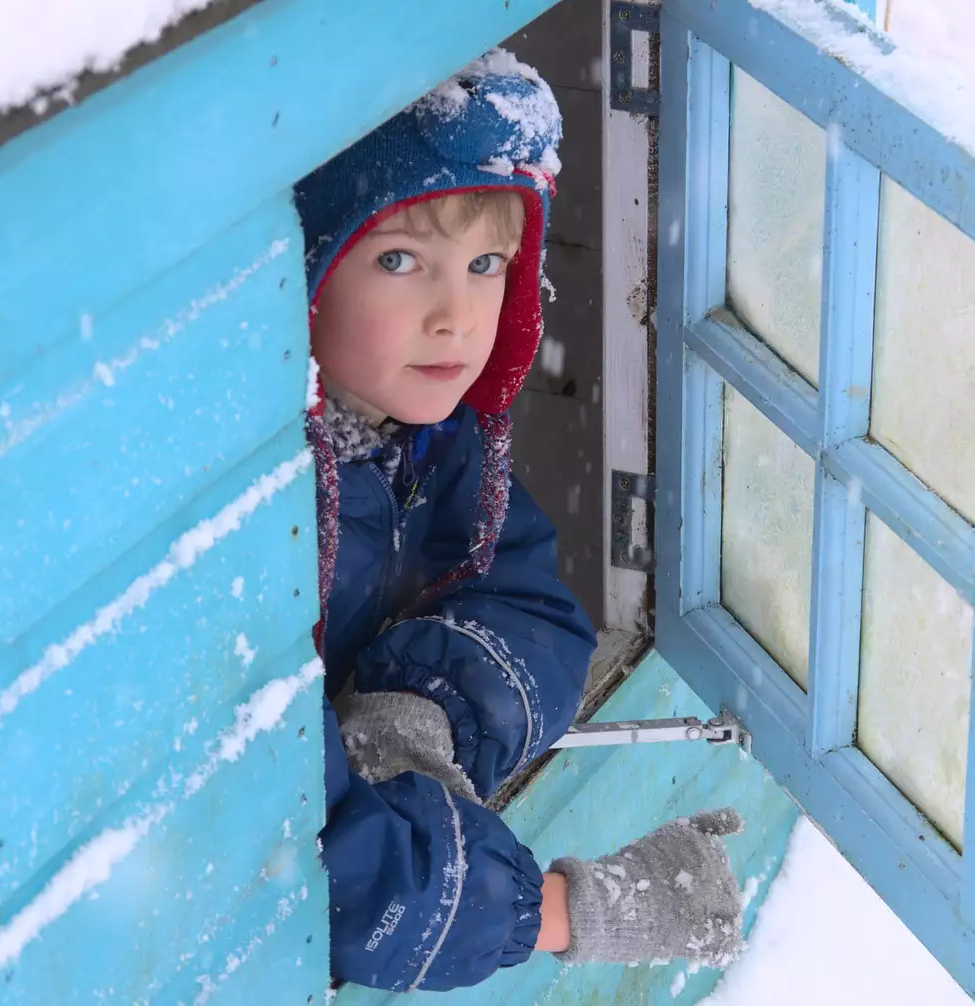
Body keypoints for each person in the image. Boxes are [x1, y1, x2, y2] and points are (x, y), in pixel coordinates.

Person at [296, 49, 746, 992]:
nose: (457, 315)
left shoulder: (430, 440)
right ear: (309, 269)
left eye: (487, 263)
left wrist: (412, 708)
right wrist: (558, 912)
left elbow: (532, 607)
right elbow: (309, 866)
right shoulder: (257, 506)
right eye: (398, 260)